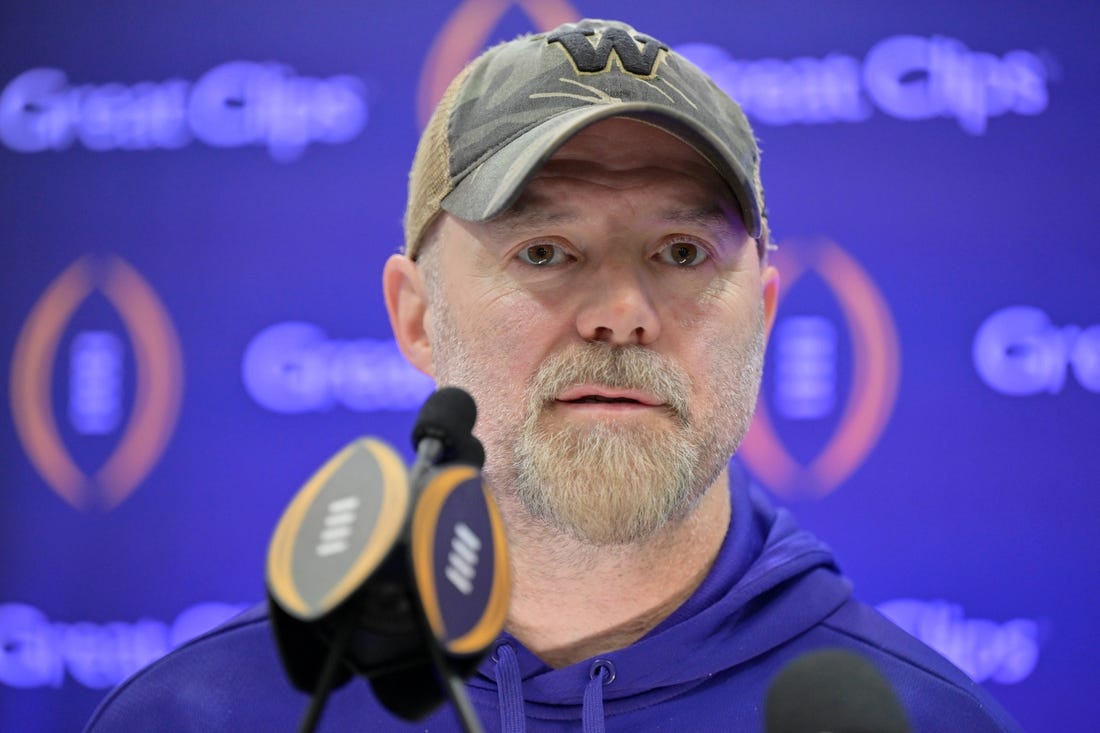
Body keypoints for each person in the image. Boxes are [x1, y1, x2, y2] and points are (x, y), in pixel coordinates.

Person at [86, 19, 1023, 733]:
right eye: (544, 250)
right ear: (416, 316)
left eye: (684, 250)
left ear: (765, 316)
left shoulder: (920, 717)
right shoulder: (205, 712)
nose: (622, 308)